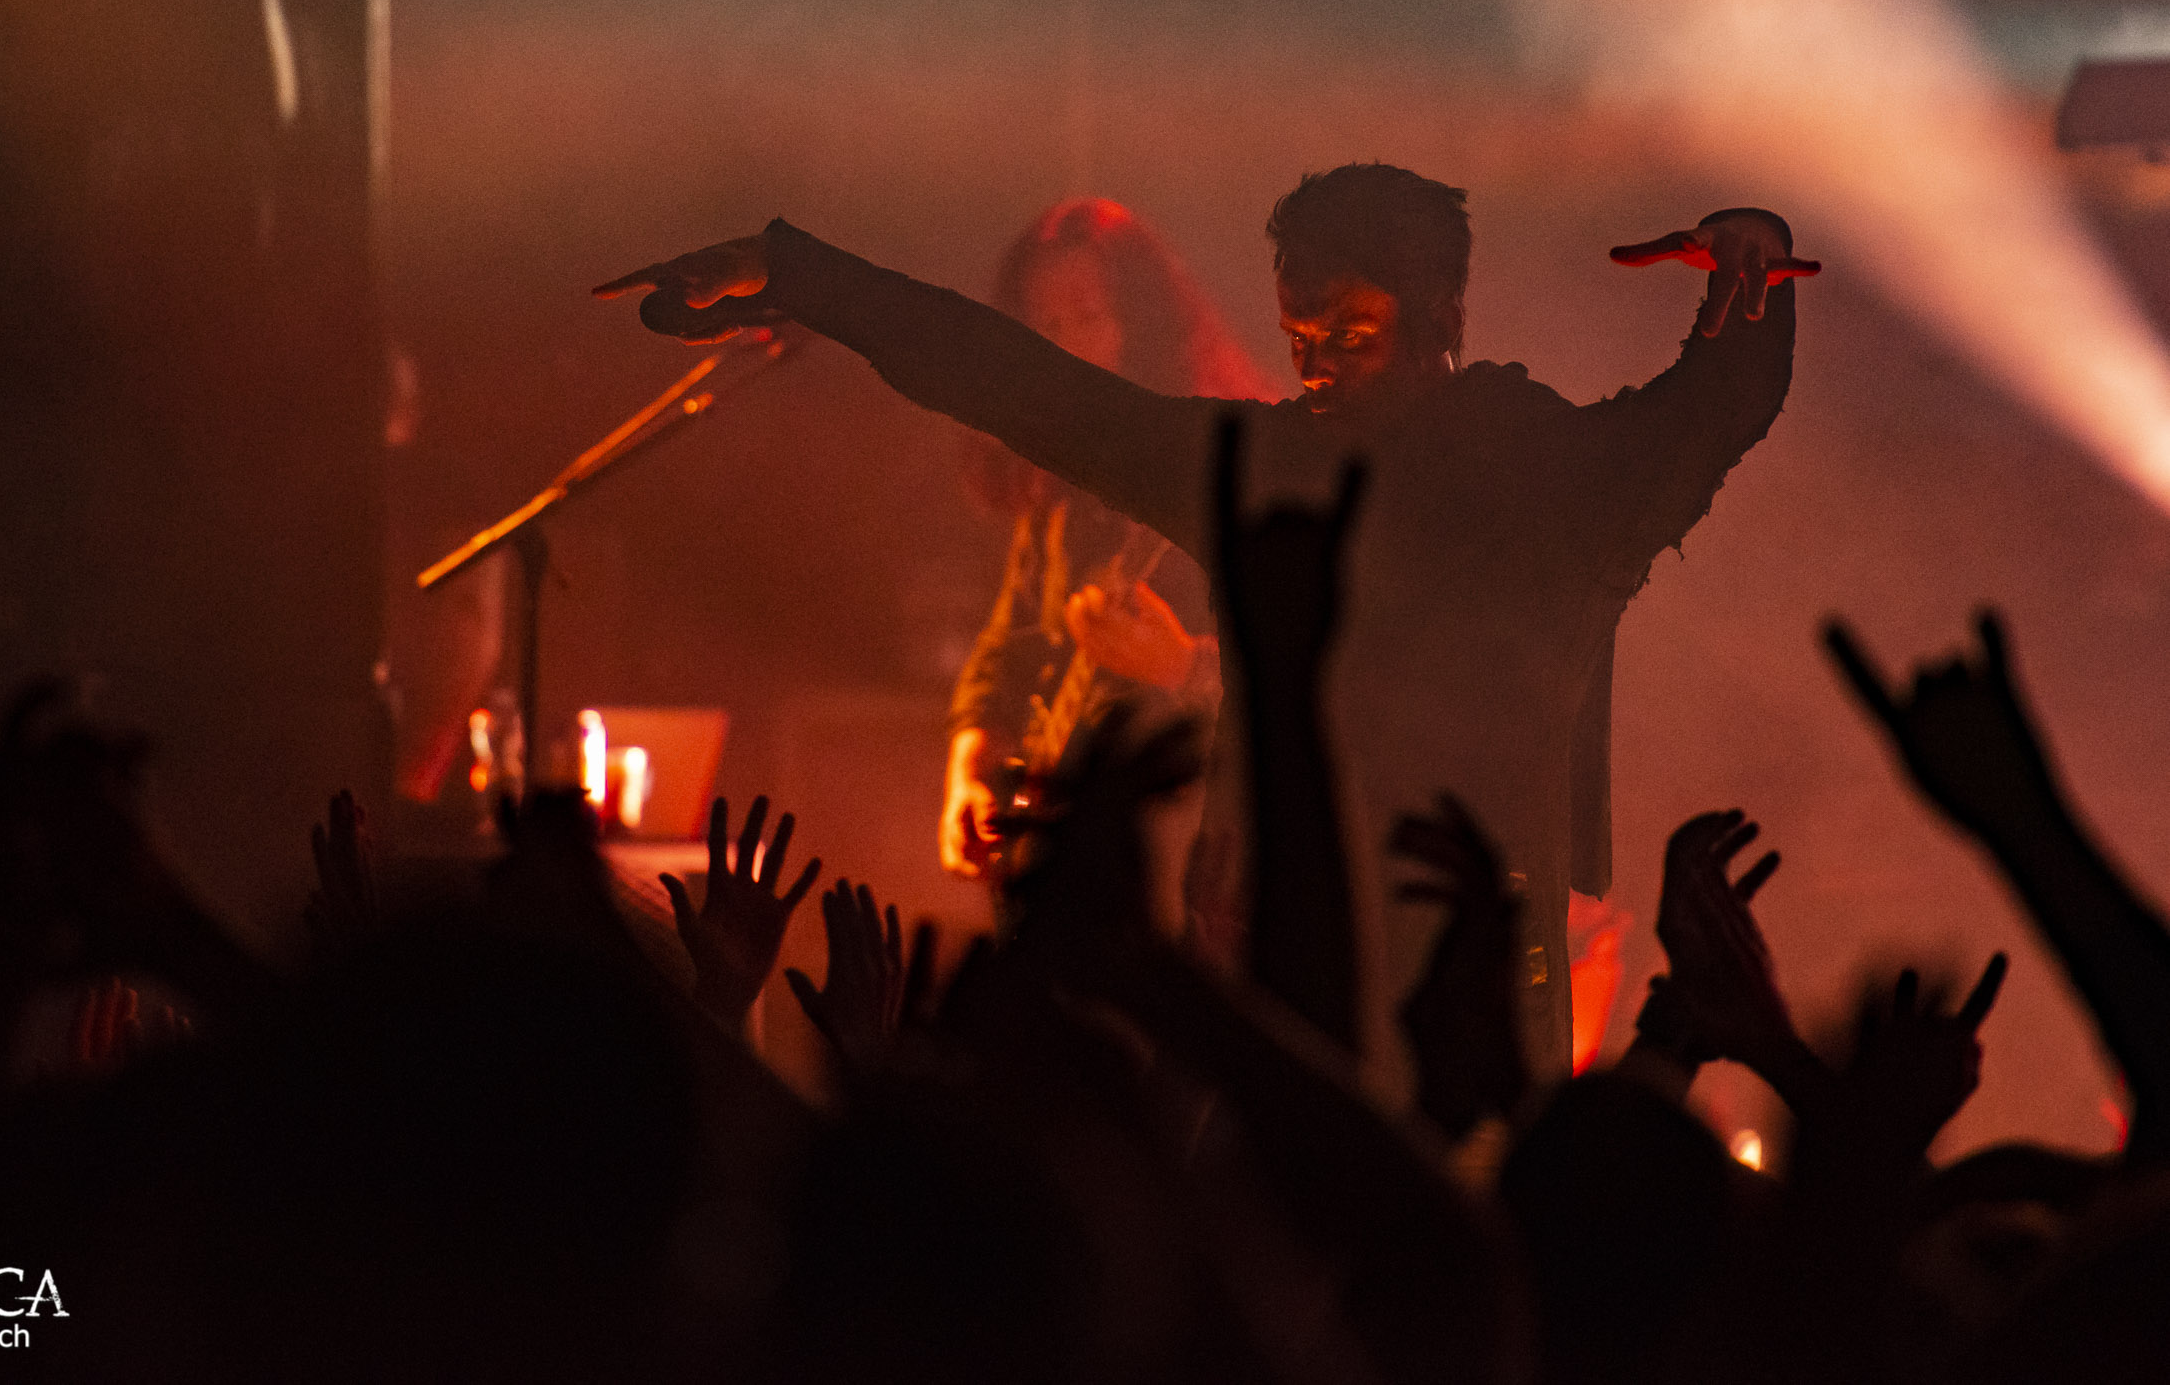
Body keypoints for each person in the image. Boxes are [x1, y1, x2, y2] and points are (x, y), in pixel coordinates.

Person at [597, 164, 1813, 1076]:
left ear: (1440, 313)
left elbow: (1713, 408)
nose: (1318, 365)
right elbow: (1024, 388)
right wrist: (800, 275)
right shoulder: (1261, 461)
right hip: (1266, 950)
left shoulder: (1555, 483)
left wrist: (1749, 275)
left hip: (1470, 958)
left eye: (1351, 333)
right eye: (1298, 337)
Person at [941, 199, 1276, 894]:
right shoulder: (1060, 482)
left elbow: (1333, 684)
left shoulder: (1241, 467)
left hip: (1216, 880)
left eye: (1089, 318)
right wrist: (970, 764)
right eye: (1046, 327)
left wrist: (1184, 667)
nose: (1064, 351)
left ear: (1145, 326)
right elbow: (1012, 642)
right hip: (1085, 880)